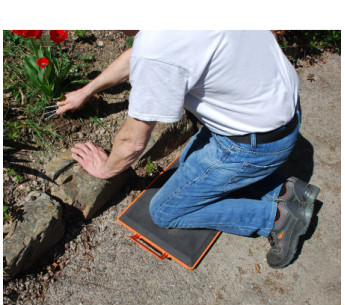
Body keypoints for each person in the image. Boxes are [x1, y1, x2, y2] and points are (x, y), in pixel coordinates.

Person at [56, 30, 320, 269]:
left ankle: (276, 218)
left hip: (253, 145)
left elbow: (132, 144)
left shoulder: (157, 50)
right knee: (190, 160)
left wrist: (105, 169)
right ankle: (285, 190)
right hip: (283, 109)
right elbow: (139, 53)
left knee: (166, 211)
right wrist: (87, 90)